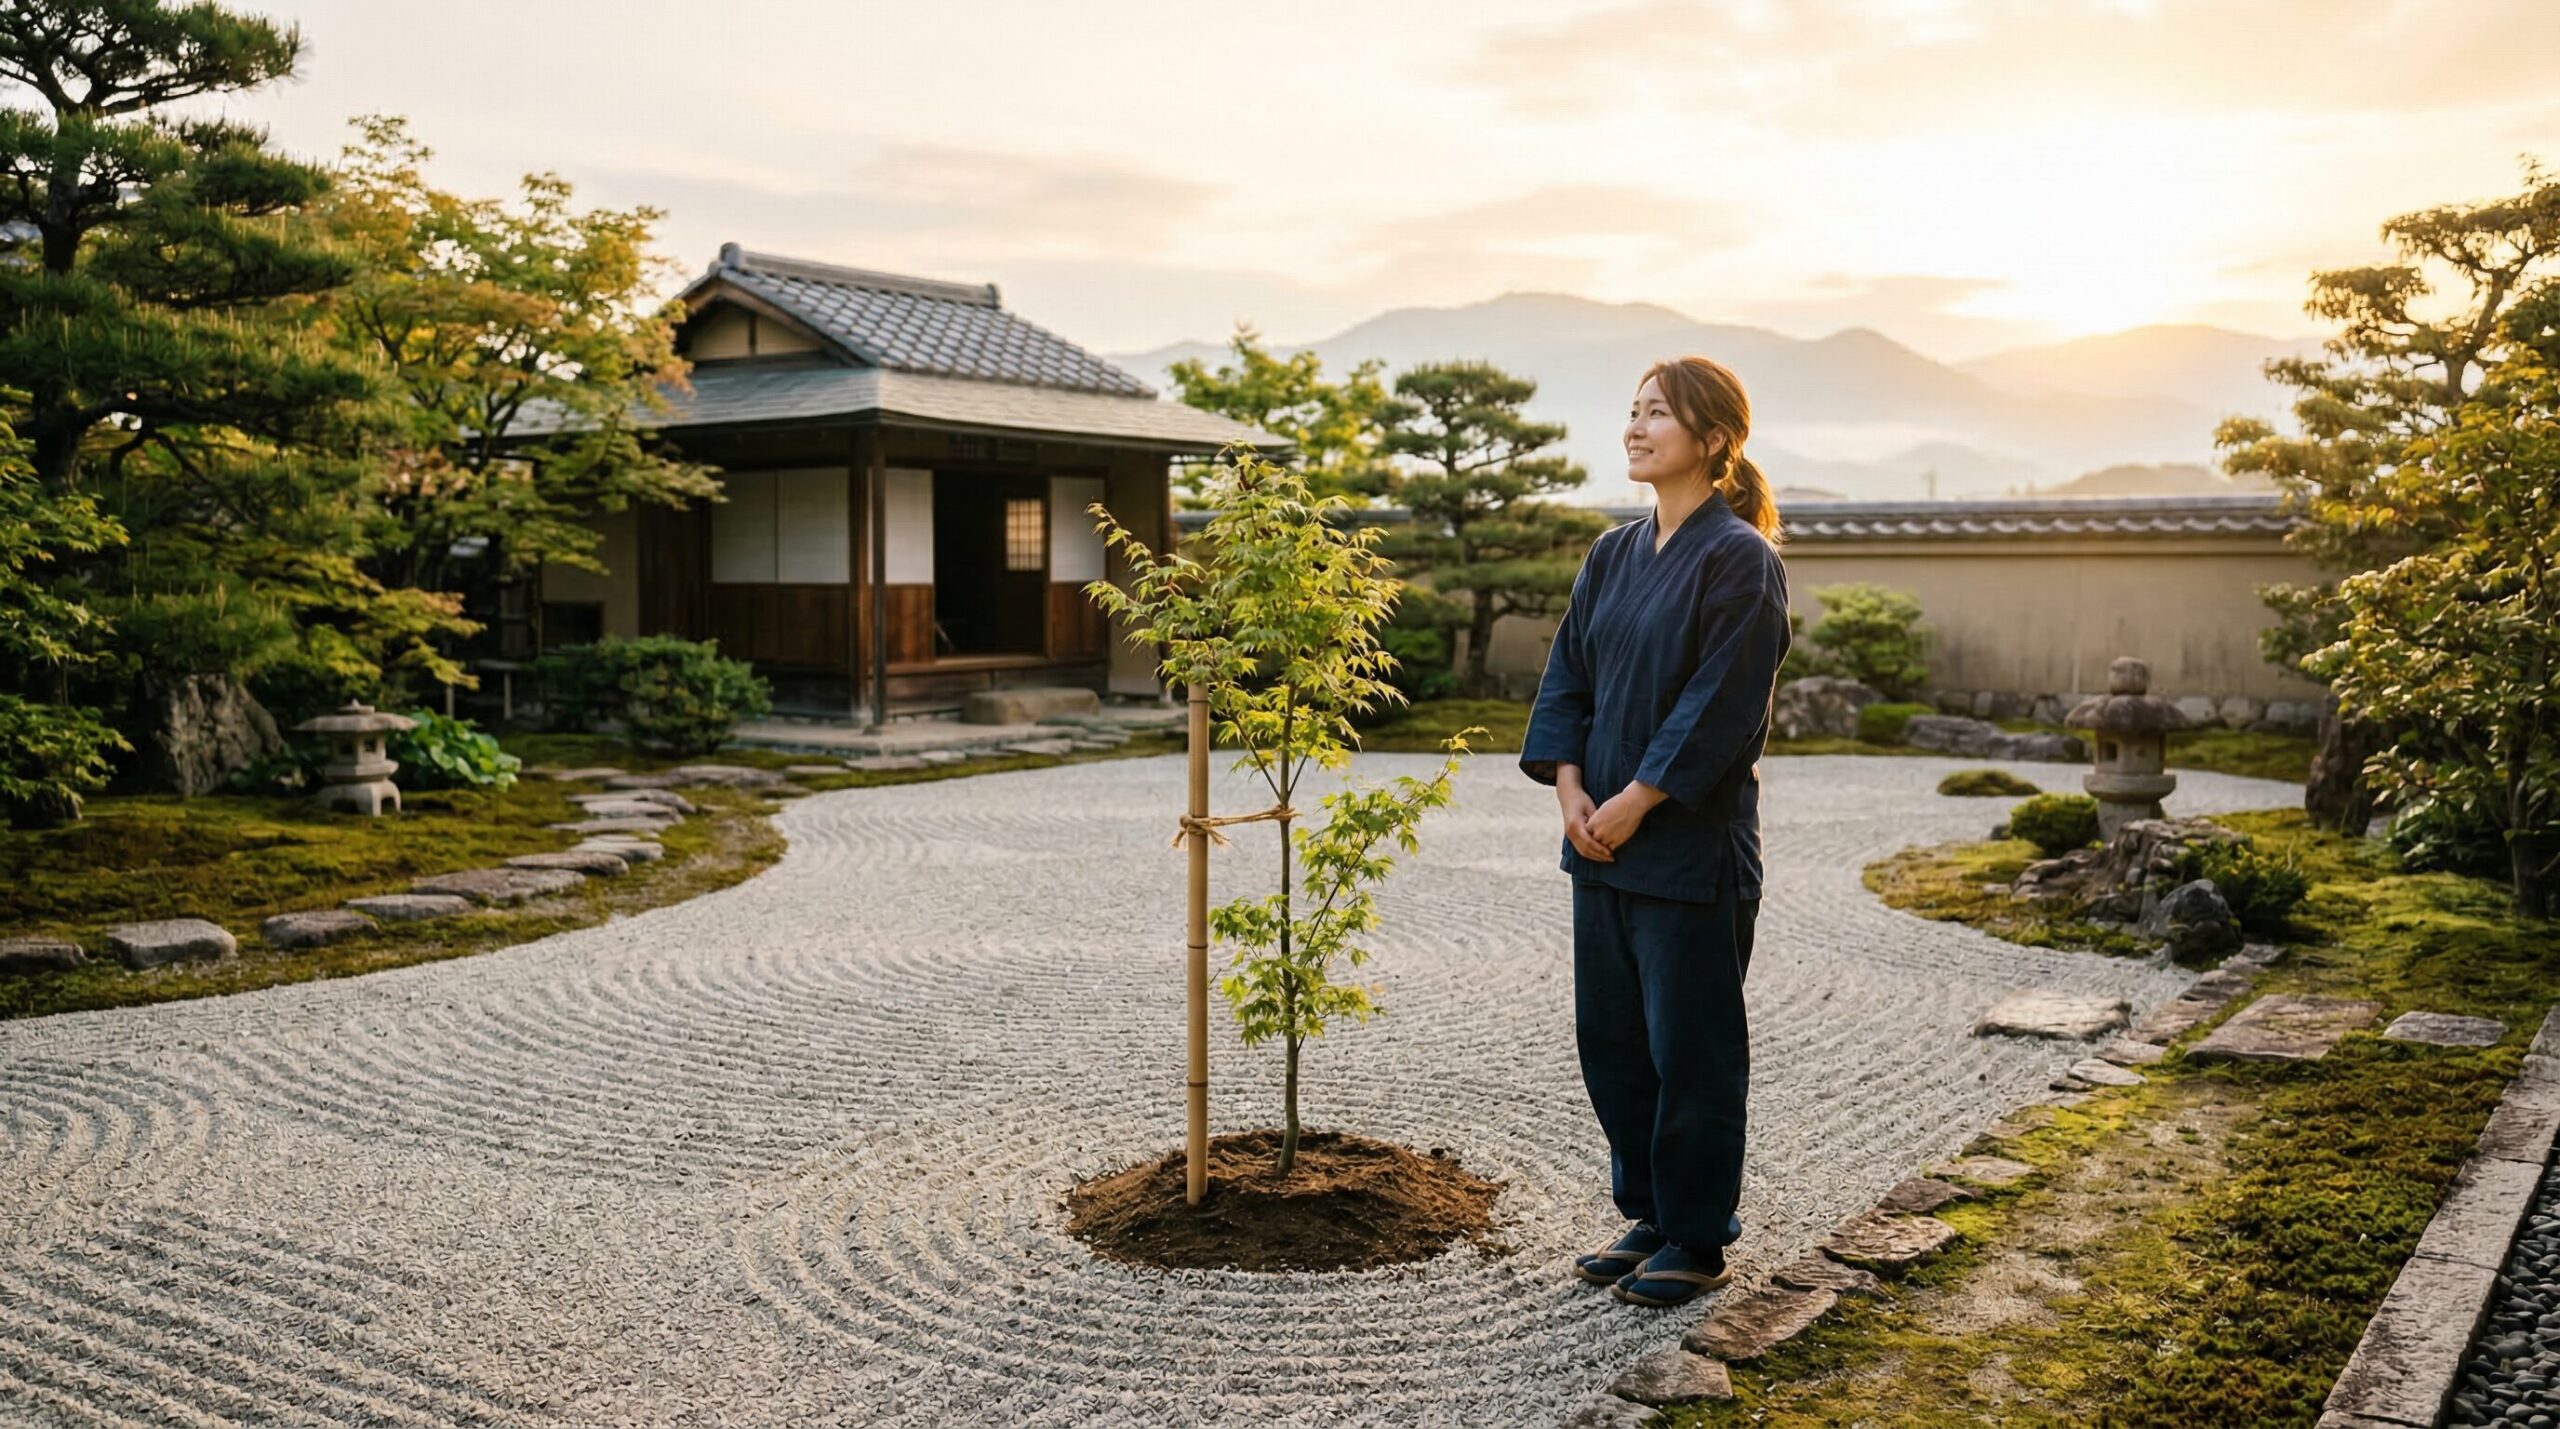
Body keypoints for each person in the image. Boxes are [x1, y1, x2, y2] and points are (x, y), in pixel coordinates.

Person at [1517, 355, 1791, 1309]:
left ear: (1714, 440)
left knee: (1693, 1048)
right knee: (1616, 1041)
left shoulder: (1741, 559)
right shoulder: (1610, 554)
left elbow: (1721, 709)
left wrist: (1635, 799)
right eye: (1631, 412)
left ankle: (1699, 1234)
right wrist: (1568, 789)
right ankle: (1649, 1209)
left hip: (1688, 849)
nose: (1635, 429)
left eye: (1658, 415)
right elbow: (1568, 683)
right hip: (1598, 844)